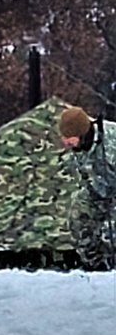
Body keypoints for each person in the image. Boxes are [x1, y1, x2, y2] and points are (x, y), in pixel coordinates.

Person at [58, 106, 115, 270]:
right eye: (64, 137)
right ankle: (96, 264)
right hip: (99, 188)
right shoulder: (78, 146)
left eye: (70, 138)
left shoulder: (111, 143)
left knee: (111, 231)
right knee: (77, 216)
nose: (66, 142)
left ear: (82, 134)